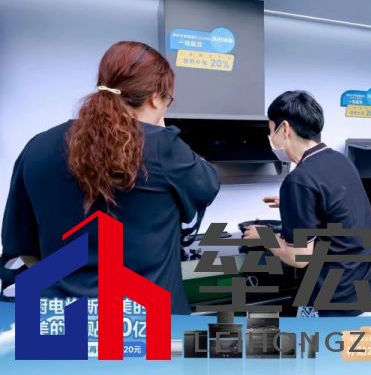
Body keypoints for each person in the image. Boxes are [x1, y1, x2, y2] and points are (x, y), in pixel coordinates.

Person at [1, 41, 220, 314]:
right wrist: (161, 131)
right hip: (147, 325)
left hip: (63, 322)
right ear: (155, 97)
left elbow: (24, 249)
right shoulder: (164, 148)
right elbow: (208, 183)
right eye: (168, 100)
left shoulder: (37, 147)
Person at [243, 91, 371, 317]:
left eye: (270, 129)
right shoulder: (339, 160)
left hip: (332, 303)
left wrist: (264, 236)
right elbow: (338, 206)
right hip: (364, 290)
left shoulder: (299, 180)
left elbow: (299, 257)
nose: (270, 137)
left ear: (284, 128)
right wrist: (294, 204)